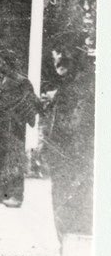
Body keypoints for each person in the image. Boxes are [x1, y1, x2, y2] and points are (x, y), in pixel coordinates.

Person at [41, 33, 96, 242]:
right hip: (72, 159)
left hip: (71, 160)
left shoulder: (78, 87)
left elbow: (73, 125)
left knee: (70, 211)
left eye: (58, 56)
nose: (54, 61)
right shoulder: (78, 82)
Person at [0, 48, 40, 208]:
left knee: (15, 160)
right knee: (1, 160)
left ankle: (17, 195)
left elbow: (32, 102)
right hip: (1, 125)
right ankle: (3, 192)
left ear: (8, 63)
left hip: (15, 128)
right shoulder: (2, 79)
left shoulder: (22, 81)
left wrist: (20, 116)